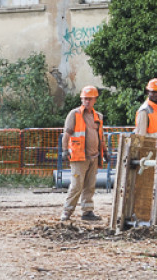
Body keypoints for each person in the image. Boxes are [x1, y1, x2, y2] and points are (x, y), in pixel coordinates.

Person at [59, 85, 106, 222]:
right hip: (79, 157)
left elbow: (100, 136)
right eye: (84, 99)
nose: (86, 101)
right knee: (76, 186)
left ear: (94, 100)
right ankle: (67, 212)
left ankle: (87, 211)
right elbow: (66, 135)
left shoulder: (98, 116)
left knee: (90, 186)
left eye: (89, 99)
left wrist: (106, 152)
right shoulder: (74, 114)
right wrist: (64, 150)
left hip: (94, 156)